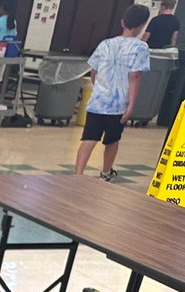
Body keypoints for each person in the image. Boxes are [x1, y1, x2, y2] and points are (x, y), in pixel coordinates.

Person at [75, 4, 151, 182]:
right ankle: (106, 173)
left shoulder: (105, 44)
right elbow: (135, 77)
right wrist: (131, 104)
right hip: (118, 104)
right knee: (112, 139)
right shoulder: (140, 48)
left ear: (122, 22)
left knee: (89, 137)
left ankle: (77, 175)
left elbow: (93, 71)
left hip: (98, 101)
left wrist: (100, 88)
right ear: (142, 25)